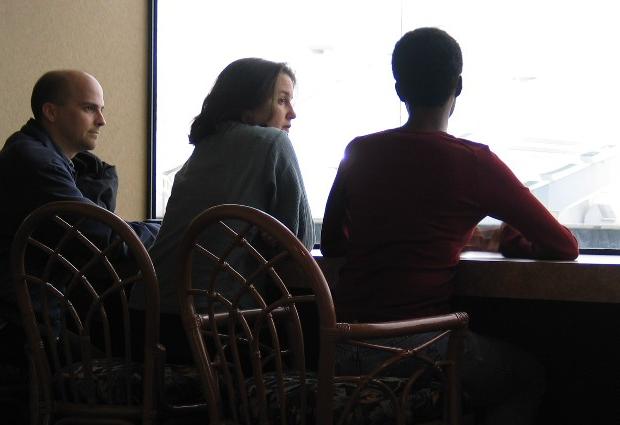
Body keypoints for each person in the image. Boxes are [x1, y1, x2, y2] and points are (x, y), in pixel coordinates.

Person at [321, 28, 578, 425]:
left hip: (343, 346)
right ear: (458, 86)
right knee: (527, 377)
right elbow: (564, 246)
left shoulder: (359, 150)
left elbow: (333, 242)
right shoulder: (474, 162)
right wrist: (510, 240)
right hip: (420, 349)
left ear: (398, 89)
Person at [129, 58, 314, 362]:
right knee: (304, 343)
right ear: (247, 107)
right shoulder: (272, 142)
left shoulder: (204, 148)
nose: (292, 113)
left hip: (147, 318)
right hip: (214, 327)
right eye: (281, 101)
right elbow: (301, 243)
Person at [0, 70, 160, 361]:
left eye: (101, 110)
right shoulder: (36, 163)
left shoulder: (36, 153)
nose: (102, 120)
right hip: (25, 334)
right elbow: (107, 239)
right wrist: (166, 230)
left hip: (39, 320)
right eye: (89, 108)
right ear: (51, 112)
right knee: (147, 365)